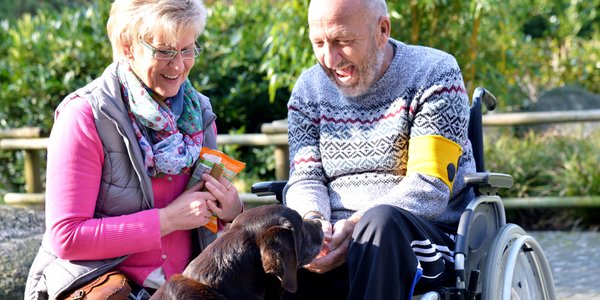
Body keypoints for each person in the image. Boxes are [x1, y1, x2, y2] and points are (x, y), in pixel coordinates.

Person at [24, 0, 244, 299]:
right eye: (164, 51)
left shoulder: (199, 113)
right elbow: (67, 237)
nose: (178, 65)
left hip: (186, 287)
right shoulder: (85, 116)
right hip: (107, 286)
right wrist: (166, 220)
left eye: (187, 49)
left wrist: (231, 213)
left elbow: (206, 219)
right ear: (128, 47)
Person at [283, 0, 476, 299]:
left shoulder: (434, 74)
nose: (329, 58)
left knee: (378, 225)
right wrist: (314, 225)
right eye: (318, 43)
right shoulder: (308, 89)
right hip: (336, 235)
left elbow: (429, 186)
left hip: (423, 237)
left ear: (382, 30)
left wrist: (355, 224)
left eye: (342, 42)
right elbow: (305, 177)